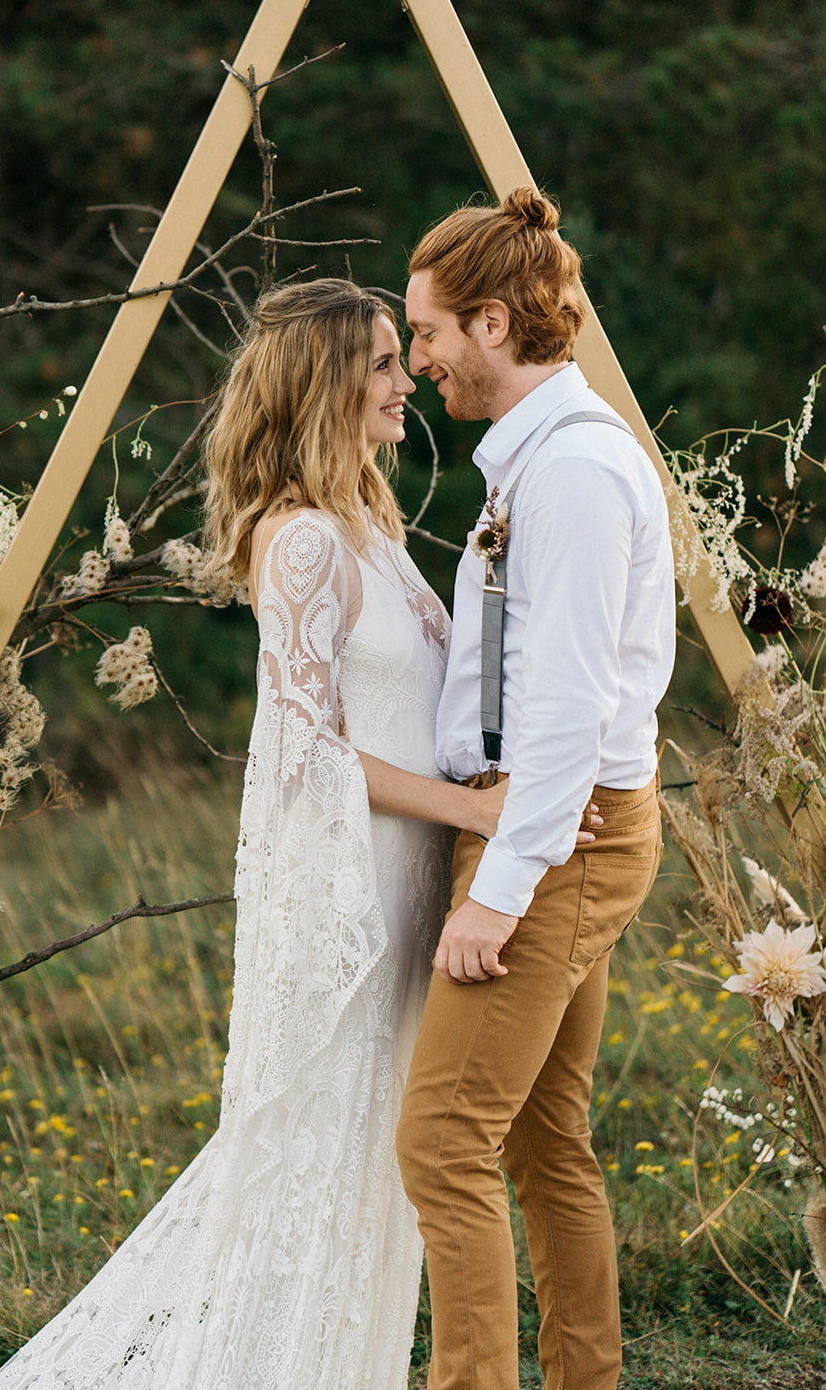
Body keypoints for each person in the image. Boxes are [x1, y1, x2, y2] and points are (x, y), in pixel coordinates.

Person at [0, 277, 563, 1390]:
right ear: (324, 384)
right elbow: (300, 752)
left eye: (402, 357)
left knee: (375, 1166)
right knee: (317, 1156)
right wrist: (473, 811)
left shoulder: (373, 527)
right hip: (354, 894)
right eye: (382, 363)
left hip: (411, 884)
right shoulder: (301, 542)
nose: (407, 381)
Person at [395, 188, 675, 1390]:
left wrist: (498, 892)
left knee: (443, 1141)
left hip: (555, 836)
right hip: (552, 823)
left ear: (495, 324)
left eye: (429, 333)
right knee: (545, 1140)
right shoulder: (540, 460)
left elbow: (568, 707)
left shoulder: (575, 473)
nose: (418, 361)